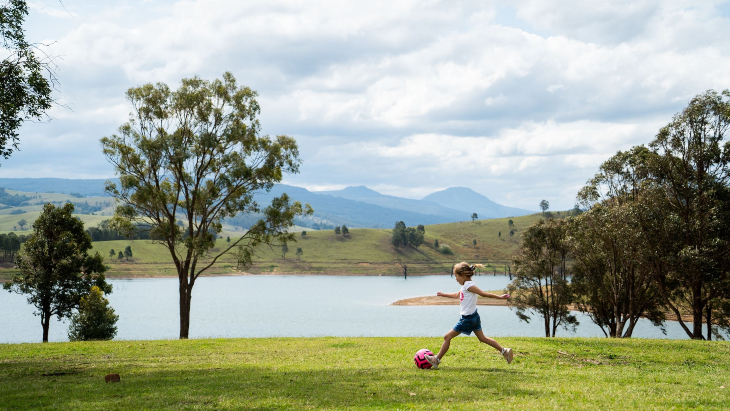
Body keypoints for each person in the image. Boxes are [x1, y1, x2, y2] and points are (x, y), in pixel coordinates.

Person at [425, 262, 513, 369]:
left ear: (462, 275)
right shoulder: (465, 286)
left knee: (447, 337)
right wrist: (444, 294)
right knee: (482, 338)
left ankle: (436, 359)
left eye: (456, 276)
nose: (456, 279)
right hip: (474, 317)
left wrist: (500, 297)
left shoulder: (469, 286)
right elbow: (457, 295)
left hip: (467, 319)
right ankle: (504, 351)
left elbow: (483, 294)